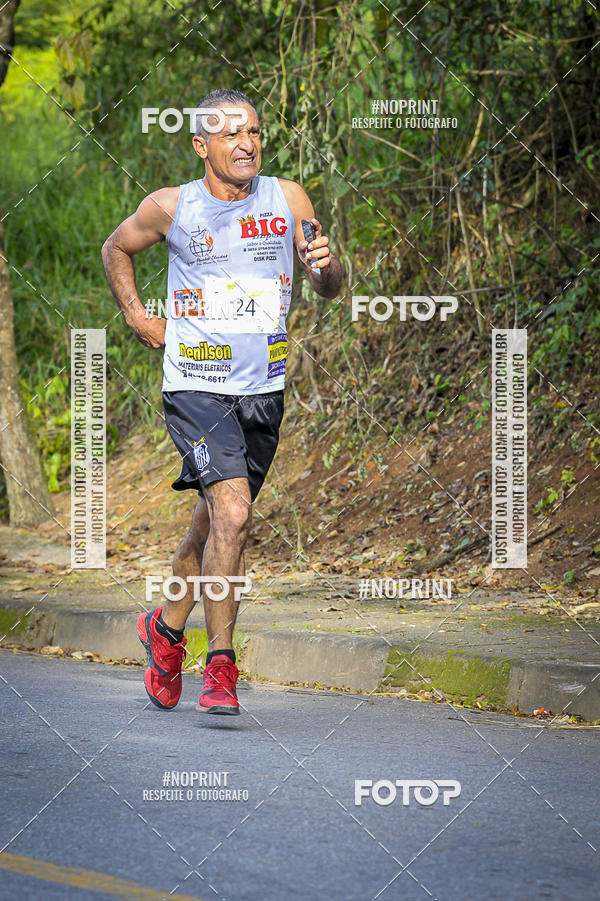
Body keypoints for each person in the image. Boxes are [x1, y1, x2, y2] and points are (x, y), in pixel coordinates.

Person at [101, 88, 343, 715]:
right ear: (200, 145)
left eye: (254, 132)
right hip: (196, 386)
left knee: (213, 522)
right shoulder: (170, 207)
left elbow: (328, 286)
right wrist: (138, 318)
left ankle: (165, 628)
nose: (246, 143)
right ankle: (222, 665)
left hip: (263, 388)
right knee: (234, 515)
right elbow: (115, 247)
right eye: (230, 134)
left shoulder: (287, 199)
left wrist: (325, 268)